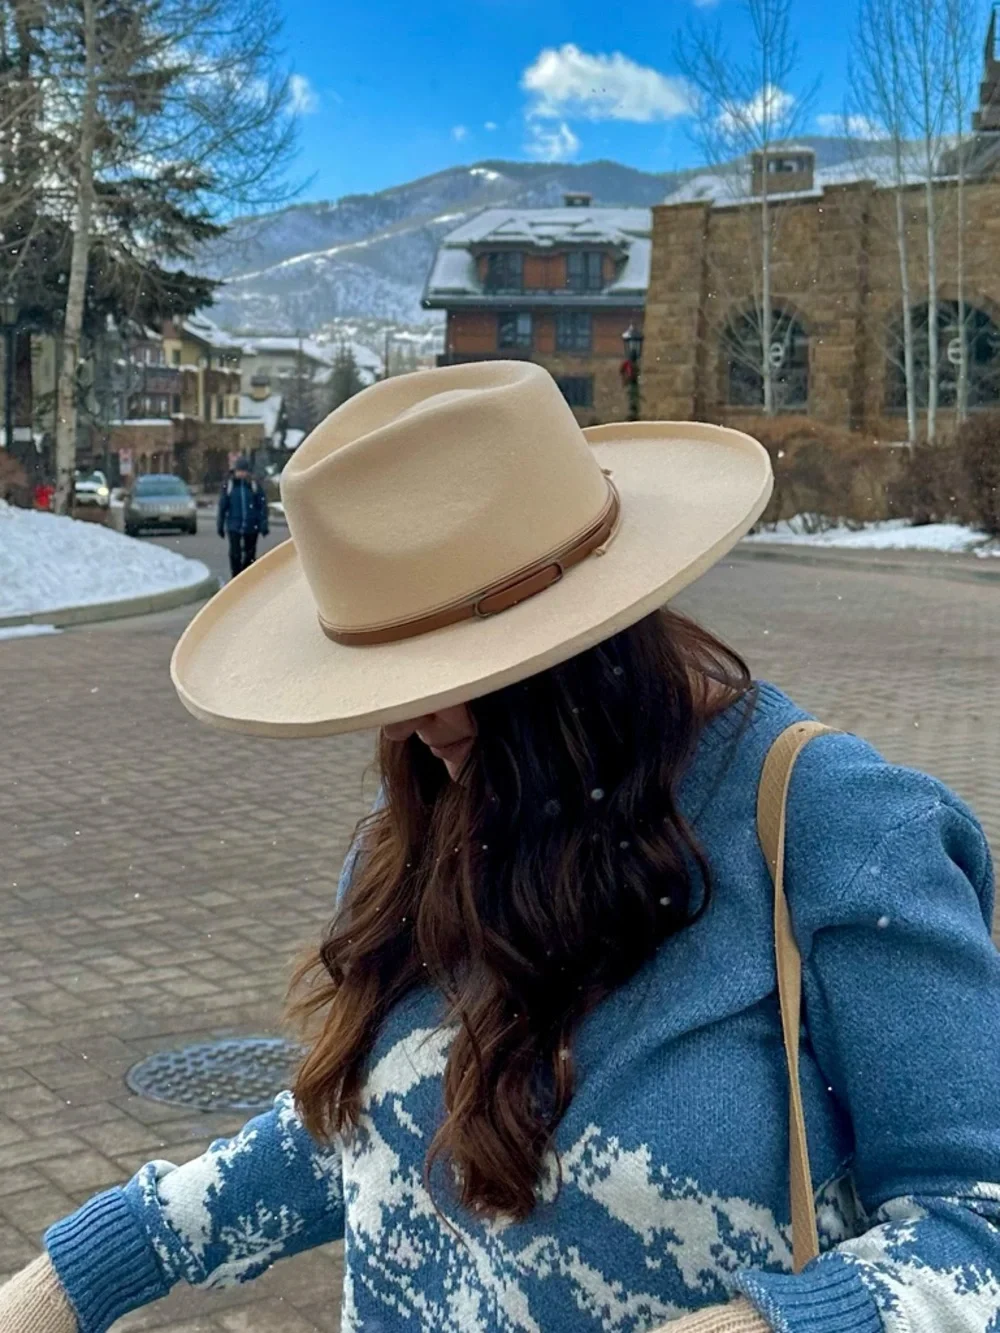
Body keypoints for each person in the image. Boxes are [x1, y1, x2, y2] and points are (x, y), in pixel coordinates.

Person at [3, 361, 999, 1333]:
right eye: (385, 674)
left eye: (463, 667)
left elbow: (977, 1228)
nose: (418, 720)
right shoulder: (424, 819)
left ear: (594, 631)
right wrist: (91, 1269)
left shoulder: (838, 829)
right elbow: (370, 1124)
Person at [217, 454, 269, 579]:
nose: (241, 474)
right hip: (234, 524)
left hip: (252, 524)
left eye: (243, 471)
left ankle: (247, 576)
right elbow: (223, 506)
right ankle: (236, 576)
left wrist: (263, 523)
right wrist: (220, 524)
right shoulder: (229, 485)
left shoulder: (253, 485)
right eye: (239, 471)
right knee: (235, 554)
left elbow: (262, 505)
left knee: (250, 554)